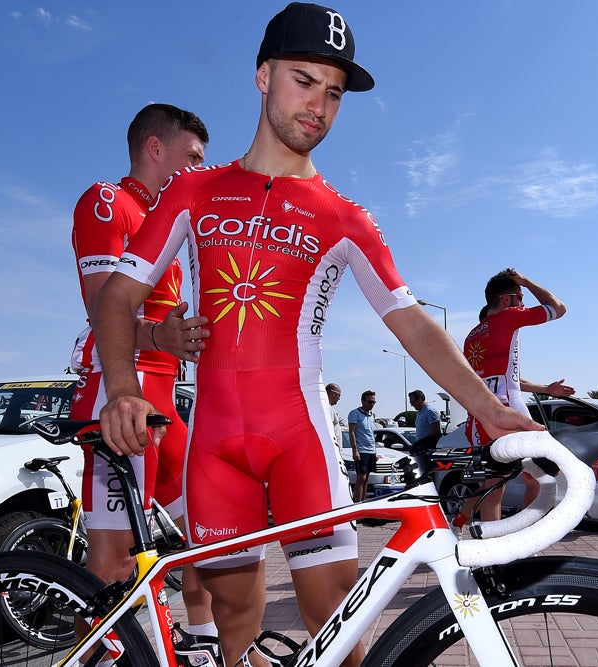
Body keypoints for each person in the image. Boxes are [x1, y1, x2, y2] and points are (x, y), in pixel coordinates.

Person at [91, 5, 540, 665]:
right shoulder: (194, 190)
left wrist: (490, 408)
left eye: (334, 92)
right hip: (216, 446)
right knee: (232, 617)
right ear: (263, 77)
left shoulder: (344, 216)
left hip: (298, 437)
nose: (319, 105)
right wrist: (124, 389)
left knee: (338, 622)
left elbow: (411, 320)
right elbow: (116, 297)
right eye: (304, 80)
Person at [68, 103, 218, 660]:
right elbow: (101, 305)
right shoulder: (108, 201)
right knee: (113, 560)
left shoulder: (167, 222)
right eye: (193, 157)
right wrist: (161, 335)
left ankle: (205, 642)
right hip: (118, 390)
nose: (201, 169)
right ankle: (97, 656)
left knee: (206, 533)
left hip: (165, 397)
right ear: (155, 148)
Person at [454, 269, 570, 526]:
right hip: (507, 410)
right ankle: (524, 533)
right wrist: (527, 281)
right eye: (520, 297)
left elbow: (502, 377)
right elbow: (558, 308)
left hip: (478, 415)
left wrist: (546, 389)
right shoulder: (508, 316)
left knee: (494, 483)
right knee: (543, 474)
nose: (523, 303)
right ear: (506, 299)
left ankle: (465, 525)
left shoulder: (471, 335)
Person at [348, 390, 377, 503]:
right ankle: (357, 503)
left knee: (366, 479)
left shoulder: (371, 415)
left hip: (371, 450)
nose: (372, 404)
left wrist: (375, 451)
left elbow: (370, 434)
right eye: (369, 402)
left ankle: (363, 503)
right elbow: (352, 432)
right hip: (361, 450)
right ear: (363, 401)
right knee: (361, 477)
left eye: (374, 402)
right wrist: (355, 450)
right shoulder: (355, 413)